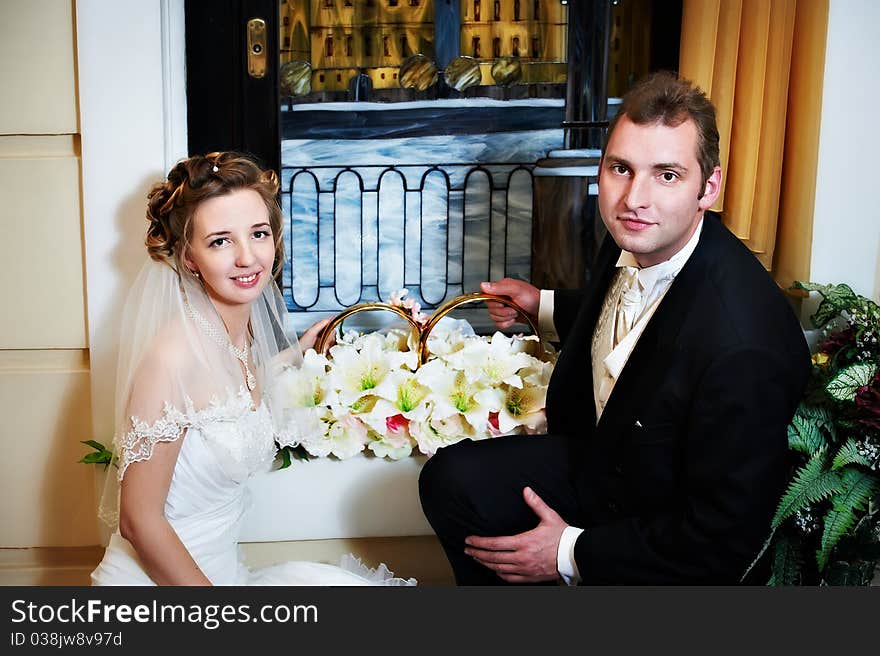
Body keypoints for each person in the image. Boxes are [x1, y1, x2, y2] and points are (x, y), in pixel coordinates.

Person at [418, 71, 810, 585]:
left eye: (667, 174)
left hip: (667, 518)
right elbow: (638, 328)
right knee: (451, 481)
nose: (634, 198)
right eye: (620, 169)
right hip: (611, 457)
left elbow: (722, 541)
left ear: (708, 188)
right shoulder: (639, 235)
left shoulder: (741, 346)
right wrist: (543, 305)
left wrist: (569, 551)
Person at [91, 152, 414, 586]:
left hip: (222, 572)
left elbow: (225, 400)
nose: (248, 258)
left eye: (258, 234)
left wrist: (295, 354)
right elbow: (138, 522)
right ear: (189, 257)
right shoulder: (171, 358)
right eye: (220, 241)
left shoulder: (236, 335)